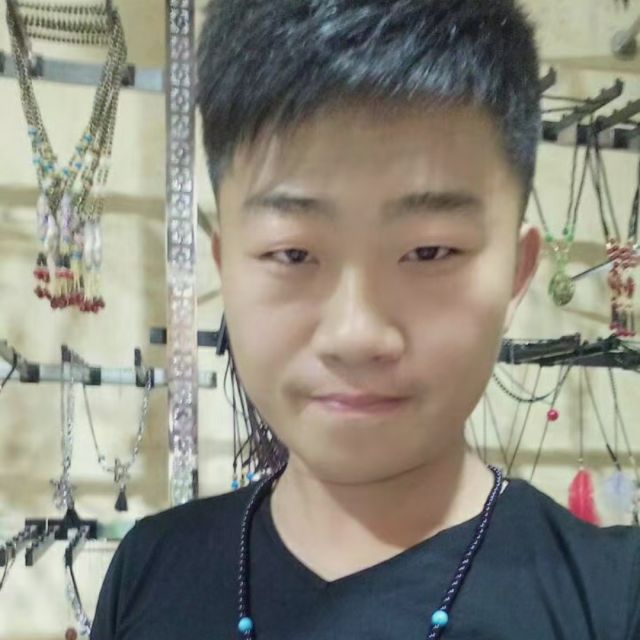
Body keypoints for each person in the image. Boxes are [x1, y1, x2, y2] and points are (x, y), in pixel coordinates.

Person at [90, 1, 640, 638]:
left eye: (430, 252)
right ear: (225, 268)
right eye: (292, 254)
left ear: (517, 274)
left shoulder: (614, 598)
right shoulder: (149, 569)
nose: (356, 336)